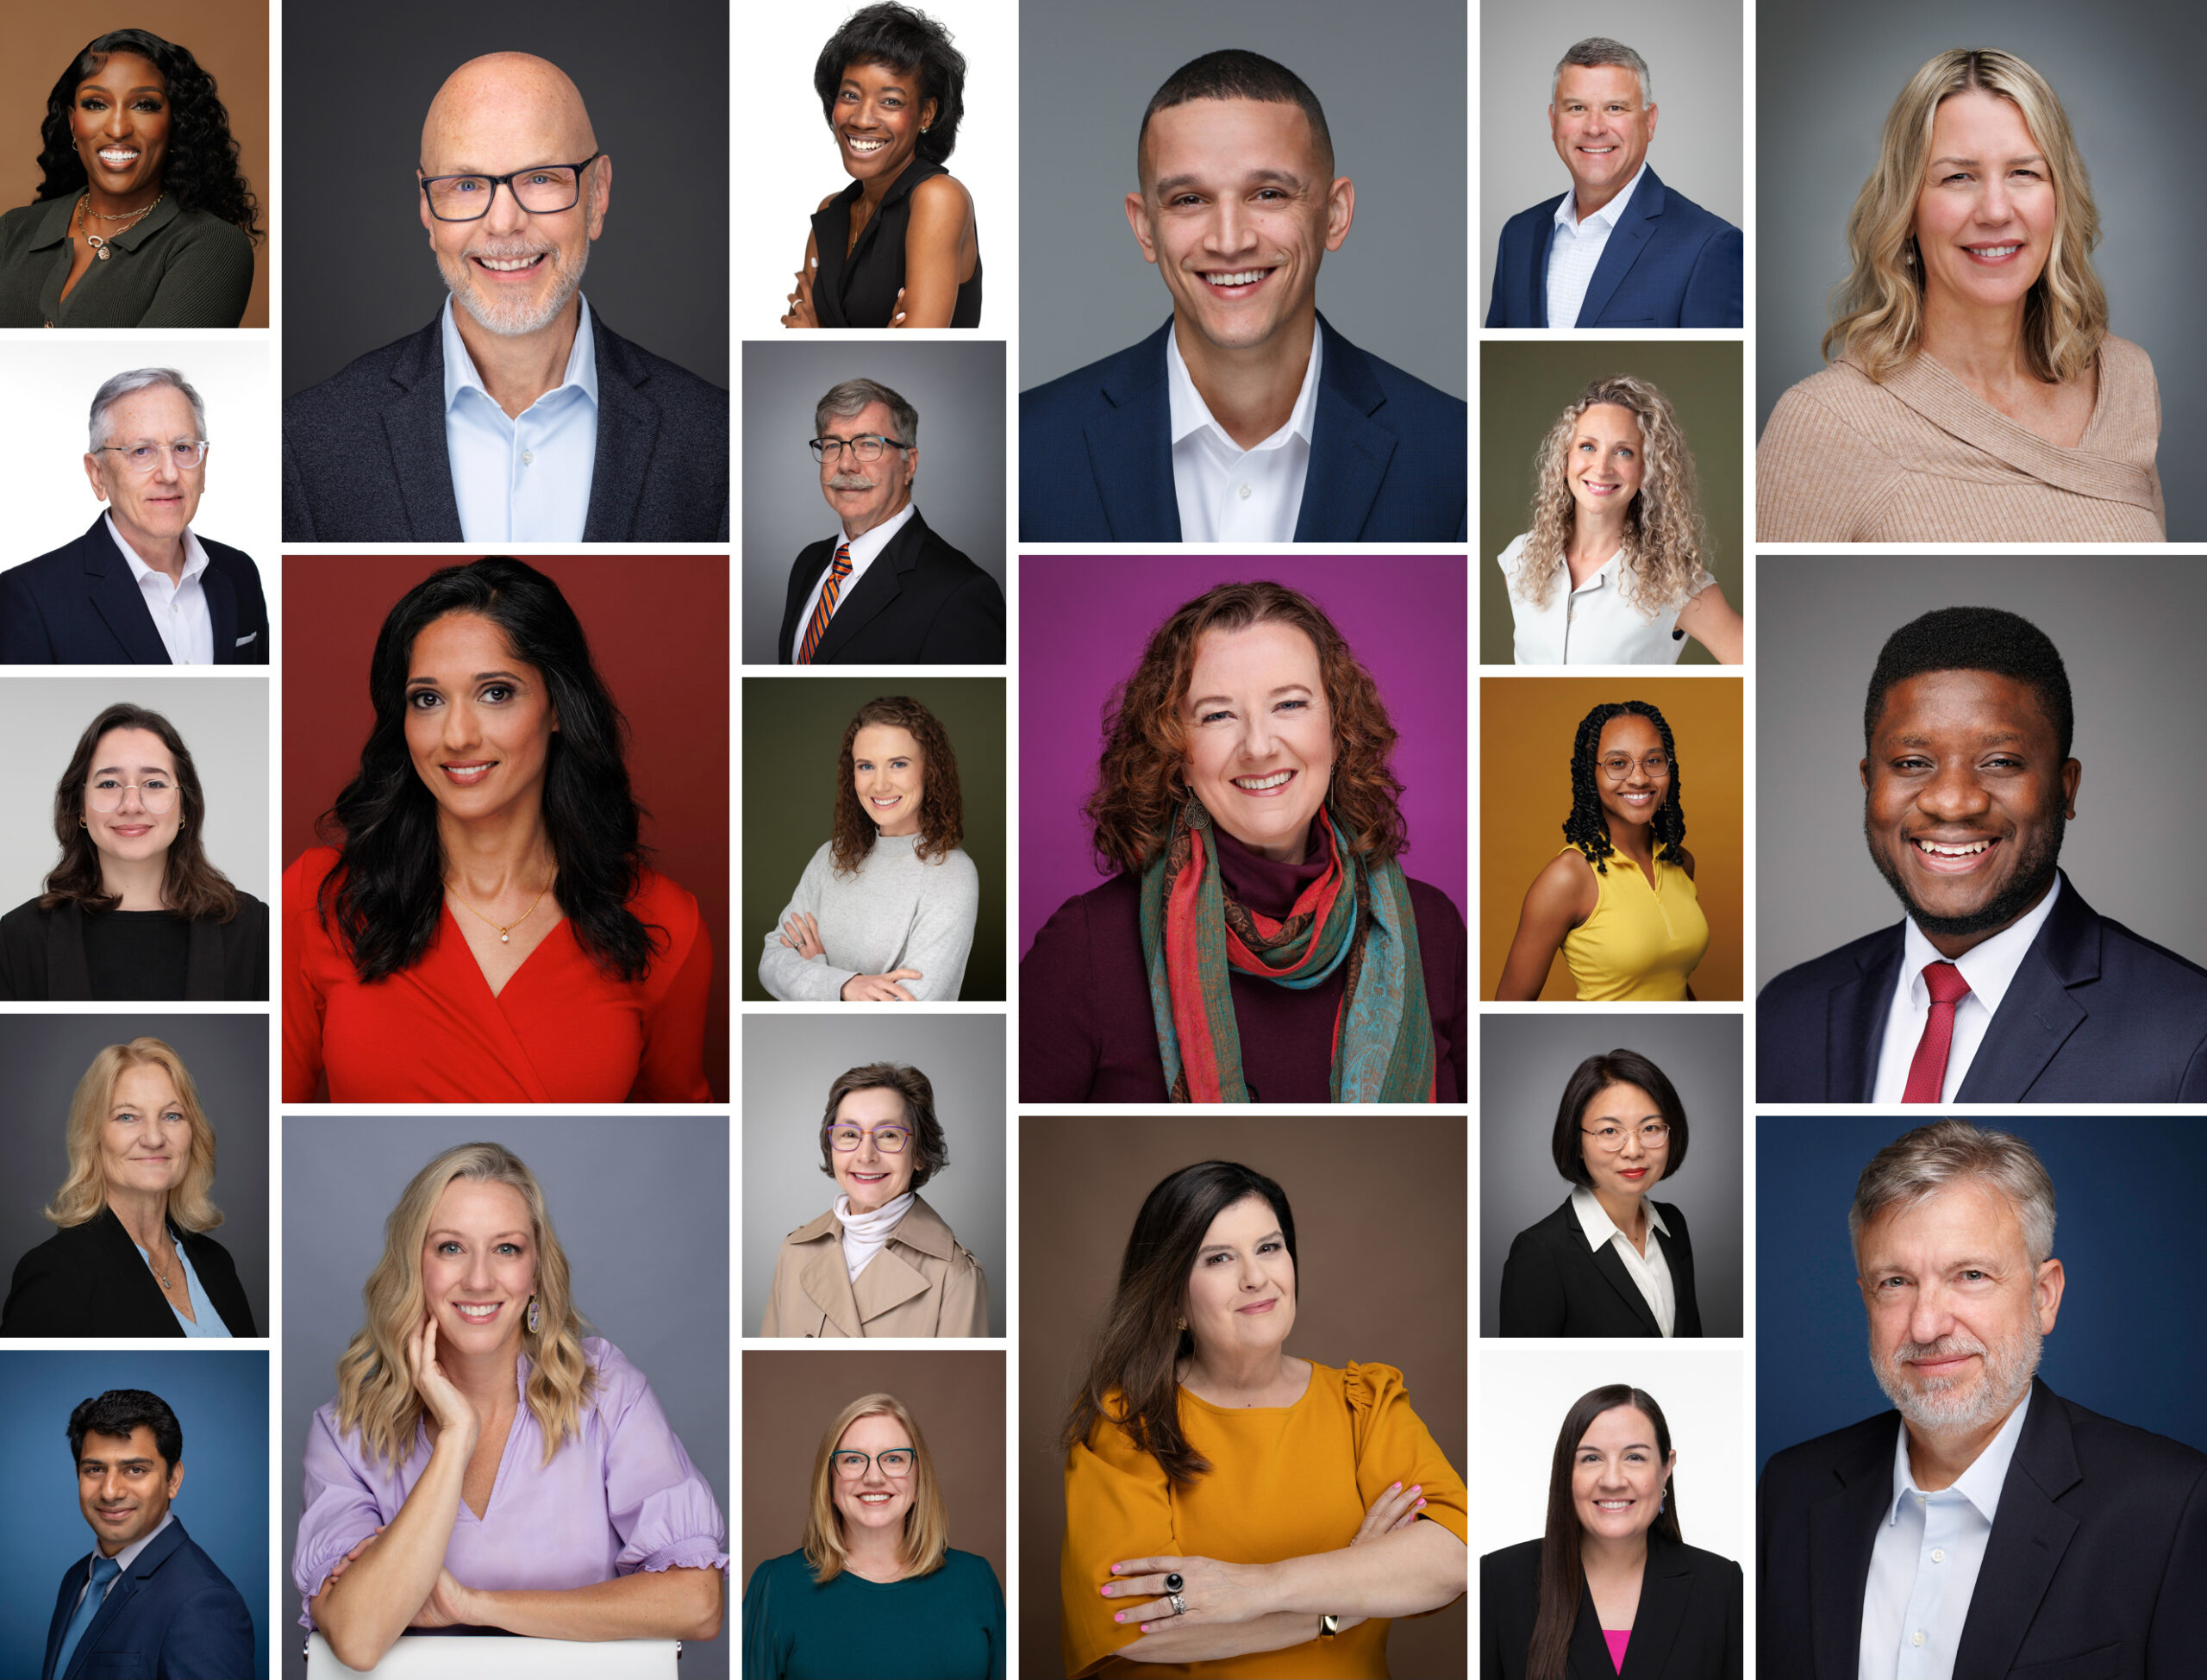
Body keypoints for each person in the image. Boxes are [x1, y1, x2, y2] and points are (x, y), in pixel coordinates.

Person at [1759, 1121, 2207, 1677]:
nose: (1926, 1324)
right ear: (1865, 1300)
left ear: (2044, 1297)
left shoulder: (2170, 1508)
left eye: (1970, 1274)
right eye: (1895, 1282)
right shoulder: (1788, 1491)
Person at [282, 559, 712, 1102]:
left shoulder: (664, 920)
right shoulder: (317, 898)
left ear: (557, 705)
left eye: (496, 693)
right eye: (428, 699)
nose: (458, 736)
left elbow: (678, 1138)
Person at [1021, 581, 1467, 1102]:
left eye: (1290, 704)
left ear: (1338, 728)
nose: (1258, 746)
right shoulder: (1086, 948)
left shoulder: (1432, 929)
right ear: (1176, 752)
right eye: (1217, 715)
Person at [293, 1142, 726, 1671]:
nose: (479, 1280)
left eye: (506, 1249)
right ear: (415, 1267)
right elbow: (358, 1638)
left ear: (536, 1272)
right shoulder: (346, 1433)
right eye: (451, 1247)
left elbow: (699, 1603)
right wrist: (455, 1434)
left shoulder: (607, 1393)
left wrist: (475, 1605)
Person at [1758, 606, 2207, 1101]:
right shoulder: (1785, 1012)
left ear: (2066, 788)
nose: (1952, 801)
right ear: (1869, 784)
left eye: (2000, 762)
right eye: (1912, 763)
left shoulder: (2187, 1033)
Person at [1020, 50, 1466, 543]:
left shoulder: (1456, 454)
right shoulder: (1028, 448)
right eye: (1189, 200)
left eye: (1269, 194)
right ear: (1145, 228)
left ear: (1335, 215)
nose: (1229, 241)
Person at [282, 53, 728, 541]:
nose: (503, 223)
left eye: (540, 178)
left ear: (597, 195)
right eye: (467, 185)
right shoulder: (307, 443)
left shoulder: (715, 441)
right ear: (427, 210)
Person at [1060, 1161, 1466, 1677]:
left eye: (1269, 1248)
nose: (1256, 1278)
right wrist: (1347, 1599)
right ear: (1172, 1293)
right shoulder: (1126, 1421)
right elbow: (1140, 1630)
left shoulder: (1364, 1403)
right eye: (1219, 1258)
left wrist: (1259, 1587)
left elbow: (1453, 1557)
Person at [1758, 49, 2163, 541]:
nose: (1995, 210)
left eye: (2024, 173)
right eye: (1958, 177)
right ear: (1906, 208)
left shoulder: (2128, 380)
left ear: (2059, 199)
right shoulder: (1823, 422)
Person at [0, 702, 268, 1001]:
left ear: (185, 807)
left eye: (154, 783)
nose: (131, 805)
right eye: (109, 783)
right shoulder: (19, 936)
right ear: (80, 807)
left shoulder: (254, 930)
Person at [1, 367, 267, 664]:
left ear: (203, 468)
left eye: (183, 448)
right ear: (98, 475)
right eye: (142, 451)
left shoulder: (239, 571)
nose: (169, 473)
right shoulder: (30, 597)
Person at [0, 29, 258, 329]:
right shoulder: (13, 230)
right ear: (73, 121)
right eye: (96, 104)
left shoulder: (211, 245)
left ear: (175, 123)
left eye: (144, 105)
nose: (119, 128)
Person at [1482, 1385, 1741, 1680]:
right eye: (1592, 1458)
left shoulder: (1722, 1586)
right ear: (1566, 1471)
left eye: (1635, 1458)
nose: (1613, 1480)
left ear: (1667, 1466)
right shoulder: (1498, 1581)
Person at [2, 1038, 253, 1339]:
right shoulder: (57, 1272)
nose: (154, 1138)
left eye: (172, 1115)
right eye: (127, 1117)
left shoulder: (217, 1262)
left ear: (193, 1132)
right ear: (93, 1135)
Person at [743, 1393, 1005, 1677]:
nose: (874, 1477)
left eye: (893, 1458)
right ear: (830, 1482)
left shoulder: (976, 1580)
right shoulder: (777, 1586)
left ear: (919, 1480)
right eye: (854, 1460)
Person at [1485, 39, 1742, 329]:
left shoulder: (1707, 245)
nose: (1594, 128)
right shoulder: (1518, 235)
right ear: (1553, 121)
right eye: (1577, 108)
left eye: (1615, 108)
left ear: (1650, 122)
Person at [1497, 376, 1740, 665]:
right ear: (1565, 458)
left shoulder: (1677, 583)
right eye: (1588, 446)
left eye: (1624, 452)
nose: (1601, 468)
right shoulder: (1519, 558)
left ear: (1647, 470)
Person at [760, 694, 980, 1002]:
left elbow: (906, 1007)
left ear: (929, 770)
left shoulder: (952, 874)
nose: (879, 785)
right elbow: (770, 963)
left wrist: (814, 969)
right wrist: (845, 986)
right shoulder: (831, 857)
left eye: (898, 764)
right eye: (866, 766)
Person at [781, 3, 983, 329]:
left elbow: (916, 352)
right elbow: (794, 341)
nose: (861, 119)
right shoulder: (832, 211)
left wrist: (818, 336)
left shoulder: (938, 199)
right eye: (850, 95)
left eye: (890, 101)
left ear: (927, 114)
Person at [779, 378, 1003, 665]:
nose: (846, 464)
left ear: (908, 464)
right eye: (833, 445)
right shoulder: (808, 562)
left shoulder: (960, 592)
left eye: (868, 444)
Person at [1495, 700, 1709, 1002]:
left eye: (1653, 760)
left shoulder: (1680, 862)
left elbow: (1672, 978)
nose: (1639, 778)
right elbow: (1508, 1007)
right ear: (1590, 775)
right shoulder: (1568, 877)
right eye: (1618, 763)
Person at [762, 1062, 989, 1336]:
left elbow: (956, 1379)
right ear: (831, 1146)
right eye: (849, 1134)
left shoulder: (955, 1276)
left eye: (889, 1135)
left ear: (918, 1154)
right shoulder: (795, 1251)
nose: (866, 1155)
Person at [42, 1389, 254, 1679]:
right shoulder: (76, 1579)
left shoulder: (204, 1603)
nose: (110, 1491)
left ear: (173, 1479)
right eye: (95, 1469)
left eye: (135, 1470)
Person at [1498, 1049, 1703, 1338]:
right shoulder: (1539, 1252)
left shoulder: (1673, 1223)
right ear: (1577, 1142)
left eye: (1651, 1128)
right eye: (1609, 1131)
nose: (1634, 1151)